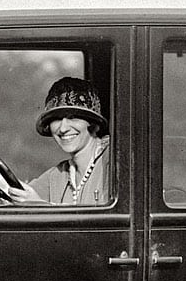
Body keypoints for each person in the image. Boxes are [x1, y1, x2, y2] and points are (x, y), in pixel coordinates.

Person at [7, 77, 111, 206]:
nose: (63, 128)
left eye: (73, 117)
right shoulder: (58, 174)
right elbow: (18, 194)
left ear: (93, 123)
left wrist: (40, 207)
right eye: (56, 119)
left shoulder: (113, 163)